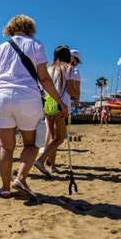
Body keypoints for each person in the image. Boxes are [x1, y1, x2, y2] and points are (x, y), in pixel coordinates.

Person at [0, 15, 67, 199]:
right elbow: (44, 78)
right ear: (30, 28)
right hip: (28, 97)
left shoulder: (1, 48)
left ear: (10, 28)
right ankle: (20, 178)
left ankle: (5, 188)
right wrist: (59, 102)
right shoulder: (36, 45)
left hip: (2, 97)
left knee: (6, 147)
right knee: (31, 143)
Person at [34, 45, 74, 176]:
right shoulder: (68, 68)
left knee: (52, 137)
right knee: (59, 138)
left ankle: (52, 166)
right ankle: (41, 160)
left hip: (47, 104)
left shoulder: (49, 69)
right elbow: (70, 89)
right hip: (59, 105)